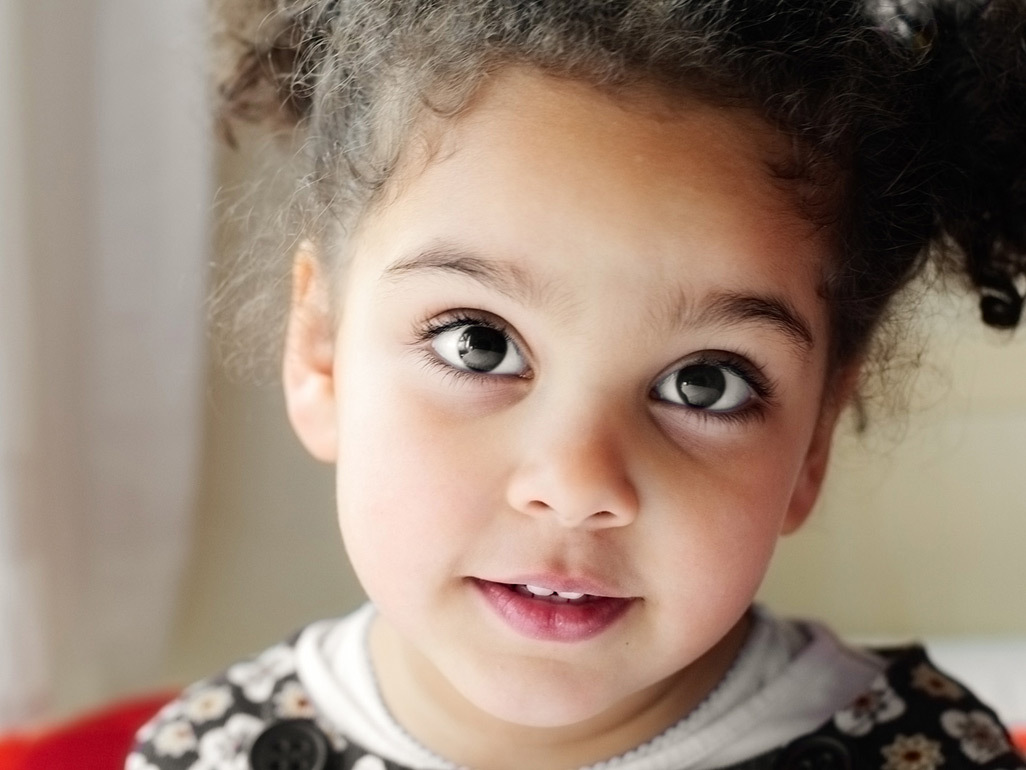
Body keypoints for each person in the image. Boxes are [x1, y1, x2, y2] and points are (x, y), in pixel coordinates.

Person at [128, 1, 1026, 768]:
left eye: (705, 383)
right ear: (321, 352)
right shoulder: (208, 751)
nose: (576, 483)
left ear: (815, 440)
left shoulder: (924, 752)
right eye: (478, 344)